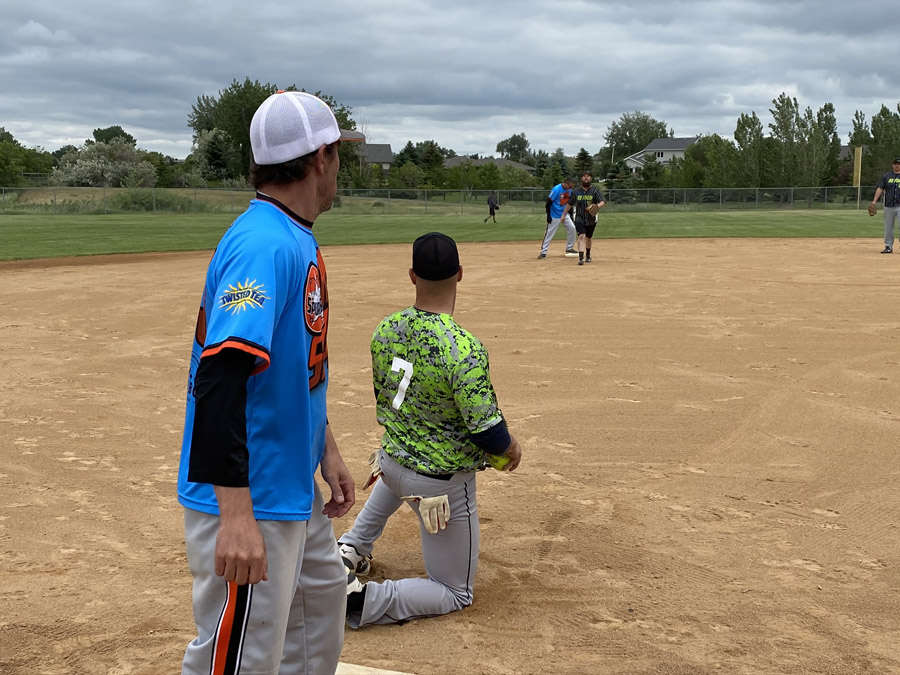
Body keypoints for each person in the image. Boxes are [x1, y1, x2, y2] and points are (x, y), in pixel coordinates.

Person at [177, 90, 364, 675]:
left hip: (289, 485)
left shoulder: (291, 234)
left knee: (318, 613)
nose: (340, 167)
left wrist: (326, 447)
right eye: (339, 154)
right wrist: (237, 517)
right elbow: (219, 379)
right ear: (320, 157)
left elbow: (291, 366)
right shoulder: (264, 244)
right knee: (243, 658)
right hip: (250, 493)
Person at [337, 232, 523, 629]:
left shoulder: (385, 329)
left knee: (400, 462)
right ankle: (357, 600)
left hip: (390, 463)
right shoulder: (463, 347)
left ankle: (349, 549)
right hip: (439, 488)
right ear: (460, 274)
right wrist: (512, 448)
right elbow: (487, 433)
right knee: (454, 591)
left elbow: (386, 396)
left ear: (412, 276)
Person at [567, 170, 606, 265]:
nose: (586, 177)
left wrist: (597, 206)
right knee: (581, 236)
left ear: (590, 178)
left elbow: (602, 201)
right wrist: (564, 214)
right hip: (579, 217)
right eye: (584, 176)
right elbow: (569, 203)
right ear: (581, 178)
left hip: (591, 218)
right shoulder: (576, 191)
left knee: (588, 237)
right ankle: (581, 257)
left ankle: (588, 254)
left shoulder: (595, 190)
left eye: (588, 176)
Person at [538, 177, 578, 259]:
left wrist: (570, 215)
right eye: (570, 186)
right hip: (554, 215)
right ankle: (543, 252)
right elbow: (548, 202)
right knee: (550, 233)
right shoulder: (556, 189)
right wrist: (548, 216)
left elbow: (569, 204)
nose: (571, 188)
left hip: (564, 214)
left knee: (572, 228)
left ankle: (569, 248)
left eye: (572, 187)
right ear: (566, 183)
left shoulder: (570, 190)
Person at [871, 157, 900, 253]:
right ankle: (888, 247)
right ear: (892, 165)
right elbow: (880, 188)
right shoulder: (886, 176)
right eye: (895, 164)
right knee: (888, 227)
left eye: (899, 164)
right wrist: (874, 202)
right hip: (889, 205)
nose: (897, 166)